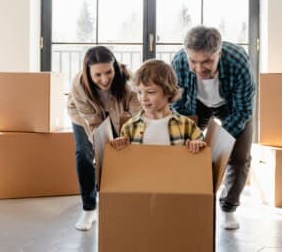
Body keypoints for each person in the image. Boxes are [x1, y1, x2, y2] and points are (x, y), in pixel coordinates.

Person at [171, 26, 256, 230]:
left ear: (219, 53)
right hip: (196, 104)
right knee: (185, 150)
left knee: (239, 156)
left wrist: (219, 143)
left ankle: (228, 208)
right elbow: (178, 106)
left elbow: (243, 110)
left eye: (207, 61)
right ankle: (191, 202)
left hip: (231, 106)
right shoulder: (179, 62)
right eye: (194, 61)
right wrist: (192, 136)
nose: (199, 69)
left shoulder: (238, 62)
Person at [67, 46, 141, 231]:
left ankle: (118, 200)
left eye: (109, 72)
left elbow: (137, 115)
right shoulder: (79, 85)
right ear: (88, 72)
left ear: (115, 66)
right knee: (84, 153)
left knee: (120, 153)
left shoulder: (128, 82)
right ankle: (89, 208)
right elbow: (93, 123)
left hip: (119, 116)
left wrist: (126, 137)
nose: (105, 79)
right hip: (84, 118)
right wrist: (102, 147)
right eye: (98, 75)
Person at [110, 59, 206, 153]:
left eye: (150, 92)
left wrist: (197, 144)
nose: (143, 98)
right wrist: (119, 144)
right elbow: (124, 159)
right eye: (139, 92)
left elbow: (203, 148)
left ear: (168, 92)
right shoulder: (129, 127)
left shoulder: (186, 125)